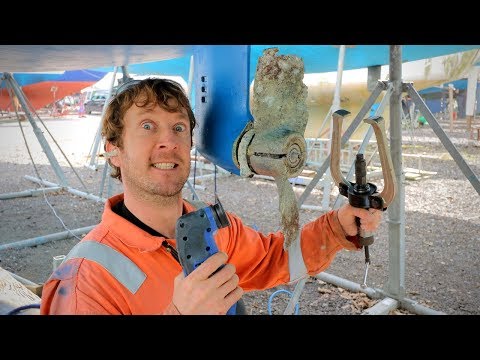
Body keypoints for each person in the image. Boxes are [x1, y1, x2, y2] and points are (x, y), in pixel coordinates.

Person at [40, 78, 383, 315]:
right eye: (147, 126)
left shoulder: (209, 228)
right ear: (113, 149)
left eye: (178, 128)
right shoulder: (85, 279)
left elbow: (274, 260)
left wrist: (337, 227)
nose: (168, 142)